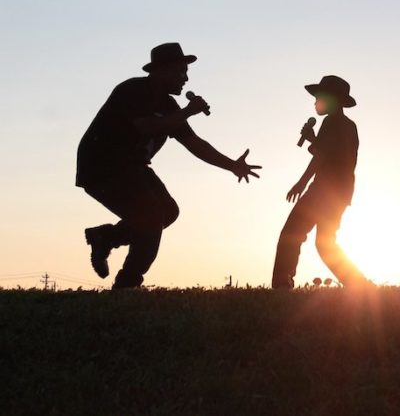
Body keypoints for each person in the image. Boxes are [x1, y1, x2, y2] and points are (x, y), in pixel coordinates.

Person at [76, 42, 261, 289]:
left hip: (133, 167)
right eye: (180, 72)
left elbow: (194, 143)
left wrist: (232, 166)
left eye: (186, 73)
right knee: (151, 216)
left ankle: (106, 237)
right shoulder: (132, 90)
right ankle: (127, 285)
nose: (185, 79)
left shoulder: (169, 106)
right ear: (161, 71)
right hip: (101, 166)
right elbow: (146, 126)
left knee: (167, 212)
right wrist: (187, 112)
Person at [272, 75, 369, 289]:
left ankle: (281, 285)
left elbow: (321, 157)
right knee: (325, 243)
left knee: (291, 234)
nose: (316, 101)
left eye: (320, 97)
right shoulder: (346, 125)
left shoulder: (332, 122)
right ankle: (360, 285)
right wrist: (313, 139)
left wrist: (301, 183)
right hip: (340, 192)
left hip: (324, 191)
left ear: (333, 99)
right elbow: (329, 152)